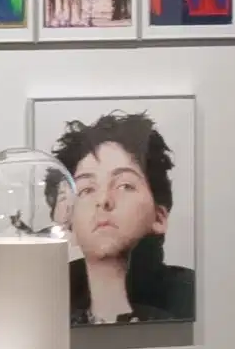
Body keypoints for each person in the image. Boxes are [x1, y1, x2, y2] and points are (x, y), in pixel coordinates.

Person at [57, 109, 194, 335]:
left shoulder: (192, 297)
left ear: (159, 217)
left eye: (125, 186)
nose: (103, 200)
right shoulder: (46, 304)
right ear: (69, 224)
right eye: (87, 189)